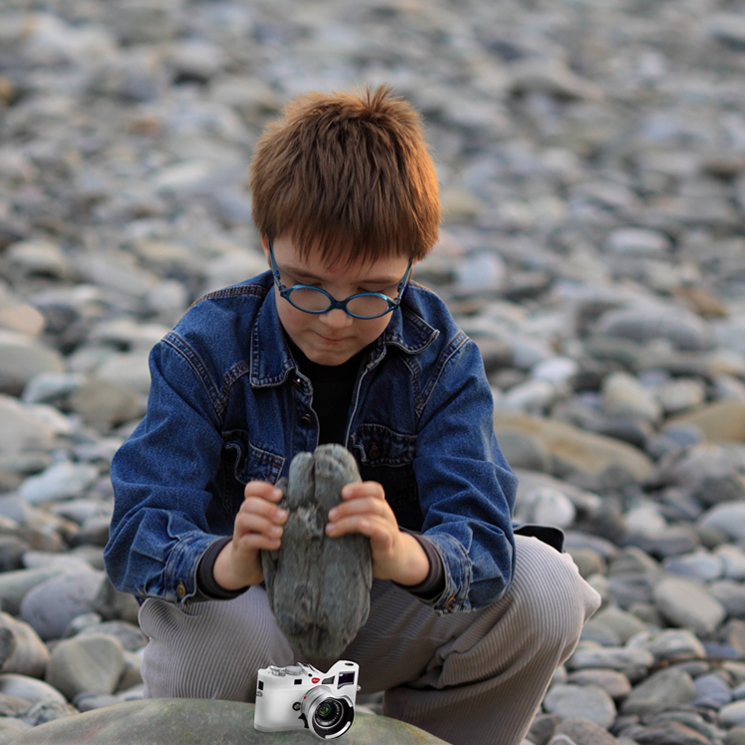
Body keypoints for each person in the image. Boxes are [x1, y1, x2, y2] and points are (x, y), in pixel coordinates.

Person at [104, 86, 600, 745]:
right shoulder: (202, 352)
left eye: (370, 294)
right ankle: (286, 731)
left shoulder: (440, 359)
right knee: (233, 630)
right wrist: (224, 562)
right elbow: (136, 532)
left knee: (544, 588)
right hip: (244, 632)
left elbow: (482, 536)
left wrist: (403, 553)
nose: (333, 319)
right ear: (267, 244)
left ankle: (420, 738)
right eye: (304, 286)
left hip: (378, 617)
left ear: (412, 264)